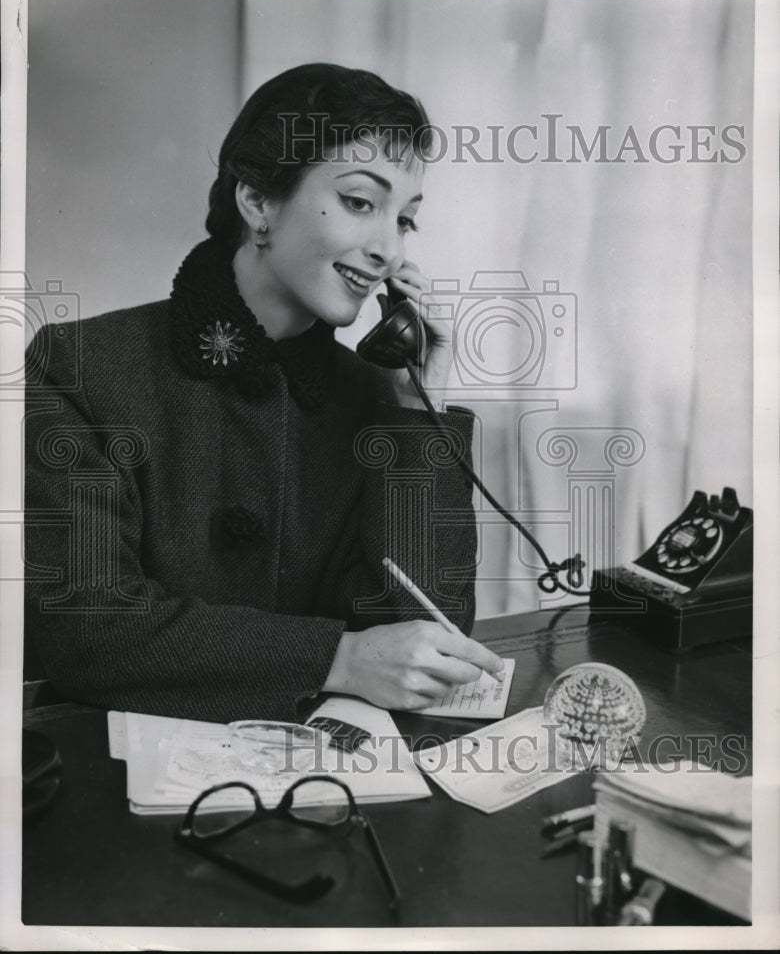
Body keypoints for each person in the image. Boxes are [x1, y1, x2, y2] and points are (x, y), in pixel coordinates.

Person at [24, 62, 503, 724]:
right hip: (121, 787)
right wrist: (339, 659)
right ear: (257, 202)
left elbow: (429, 640)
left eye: (407, 221)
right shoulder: (79, 367)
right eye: (362, 203)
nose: (388, 251)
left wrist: (417, 410)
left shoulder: (376, 399)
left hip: (326, 786)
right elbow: (88, 630)